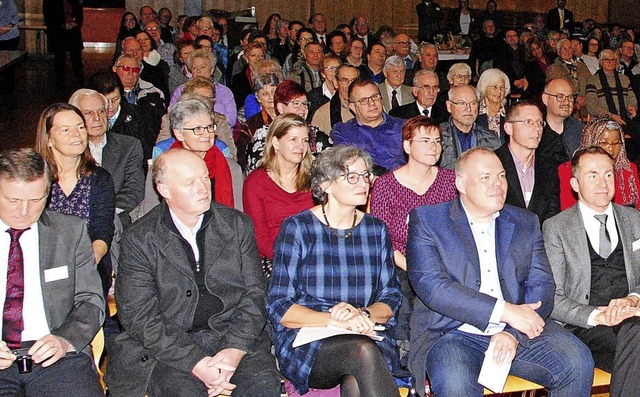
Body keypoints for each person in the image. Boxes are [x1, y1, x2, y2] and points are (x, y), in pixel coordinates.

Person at [406, 146, 595, 397]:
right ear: (461, 183)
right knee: (456, 384)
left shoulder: (525, 222)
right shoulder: (429, 220)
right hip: (453, 332)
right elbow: (433, 287)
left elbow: (542, 285)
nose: (498, 184)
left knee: (577, 361)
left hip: (517, 332)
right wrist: (505, 311)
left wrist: (512, 332)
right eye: (486, 178)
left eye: (502, 176)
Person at [106, 148, 280, 396]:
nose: (202, 188)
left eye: (204, 178)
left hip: (234, 336)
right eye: (190, 183)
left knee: (261, 388)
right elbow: (139, 317)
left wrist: (234, 350)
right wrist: (196, 363)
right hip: (171, 345)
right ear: (164, 190)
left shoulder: (236, 224)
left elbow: (255, 294)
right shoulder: (141, 238)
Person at [268, 145, 404, 397]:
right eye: (352, 177)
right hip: (310, 340)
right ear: (326, 185)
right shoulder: (298, 228)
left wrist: (362, 314)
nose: (363, 183)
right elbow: (280, 307)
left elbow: (391, 297)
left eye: (366, 176)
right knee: (361, 351)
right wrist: (336, 320)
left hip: (366, 333)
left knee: (356, 377)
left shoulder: (375, 230)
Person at [0, 148, 105, 397]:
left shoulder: (70, 232)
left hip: (57, 354)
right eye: (13, 200)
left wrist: (64, 340)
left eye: (35, 200)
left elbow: (91, 301)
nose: (24, 211)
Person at [543, 146, 640, 396]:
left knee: (634, 334)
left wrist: (632, 298)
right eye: (593, 175)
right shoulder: (556, 228)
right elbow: (552, 297)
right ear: (575, 183)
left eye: (608, 174)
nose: (603, 183)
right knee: (631, 346)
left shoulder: (634, 219)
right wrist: (597, 315)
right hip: (587, 325)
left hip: (633, 317)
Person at [370, 116, 457, 350]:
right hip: (401, 264)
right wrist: (415, 266)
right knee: (405, 291)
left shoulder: (452, 181)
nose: (433, 147)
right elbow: (381, 239)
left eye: (437, 141)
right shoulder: (385, 186)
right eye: (425, 140)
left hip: (446, 263)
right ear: (407, 146)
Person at [34, 102, 116, 297]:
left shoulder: (99, 178)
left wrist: (82, 266)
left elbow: (102, 229)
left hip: (88, 269)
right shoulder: (36, 179)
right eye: (65, 130)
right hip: (42, 268)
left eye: (80, 127)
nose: (76, 134)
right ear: (49, 139)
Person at [243, 114, 314, 277]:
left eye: (304, 140)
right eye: (293, 140)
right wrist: (288, 258)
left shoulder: (314, 178)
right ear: (275, 142)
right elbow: (259, 235)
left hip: (314, 256)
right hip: (275, 258)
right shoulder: (256, 182)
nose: (301, 146)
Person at [68, 89, 145, 227]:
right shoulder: (68, 150)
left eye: (101, 111)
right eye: (88, 113)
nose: (97, 118)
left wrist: (103, 215)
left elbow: (134, 190)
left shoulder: (129, 146)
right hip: (74, 223)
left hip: (116, 221)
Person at [495, 101, 560, 225]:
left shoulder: (548, 167)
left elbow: (552, 218)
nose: (537, 129)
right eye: (529, 122)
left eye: (540, 123)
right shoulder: (493, 162)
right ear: (509, 128)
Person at [246, 80, 332, 173]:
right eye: (296, 103)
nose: (303, 108)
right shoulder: (264, 135)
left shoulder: (316, 133)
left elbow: (333, 165)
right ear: (280, 108)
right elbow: (260, 170)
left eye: (305, 104)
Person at [558, 116, 640, 210]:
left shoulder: (629, 168)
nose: (610, 148)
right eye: (604, 142)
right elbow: (568, 212)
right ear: (591, 140)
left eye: (616, 143)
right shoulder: (569, 170)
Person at [331, 78, 406, 174]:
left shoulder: (405, 127)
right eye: (363, 100)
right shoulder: (342, 132)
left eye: (375, 97)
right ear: (353, 107)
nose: (372, 103)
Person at [88, 69, 156, 161]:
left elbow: (148, 151)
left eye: (115, 99)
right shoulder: (86, 118)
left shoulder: (138, 115)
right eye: (105, 101)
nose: (110, 107)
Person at [169, 49, 238, 127]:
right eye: (194, 67)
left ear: (212, 70)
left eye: (202, 67)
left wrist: (217, 117)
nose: (198, 71)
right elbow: (172, 116)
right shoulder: (181, 90)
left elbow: (232, 120)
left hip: (220, 132)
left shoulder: (224, 92)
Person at [439, 84, 501, 169]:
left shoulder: (491, 139)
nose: (468, 109)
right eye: (462, 103)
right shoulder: (438, 137)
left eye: (473, 103)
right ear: (449, 106)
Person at [539, 78, 584, 166]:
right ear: (545, 99)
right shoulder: (534, 130)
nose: (566, 102)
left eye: (570, 97)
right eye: (560, 97)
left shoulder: (581, 131)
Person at [43, 0, 84, 90]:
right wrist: (62, 25)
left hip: (73, 33)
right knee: (59, 59)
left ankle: (81, 81)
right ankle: (60, 83)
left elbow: (79, 13)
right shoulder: (50, 2)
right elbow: (48, 16)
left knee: (76, 59)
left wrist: (76, 23)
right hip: (58, 33)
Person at [311, 64, 359, 135]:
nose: (350, 85)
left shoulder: (370, 108)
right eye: (345, 80)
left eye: (354, 80)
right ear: (336, 83)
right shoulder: (322, 114)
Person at [476, 68, 511, 141]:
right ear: (484, 87)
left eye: (502, 88)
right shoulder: (474, 112)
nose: (499, 91)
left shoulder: (510, 114)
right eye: (494, 87)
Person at [306, 53, 340, 121]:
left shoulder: (345, 94)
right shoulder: (312, 96)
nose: (335, 71)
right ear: (323, 73)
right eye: (331, 68)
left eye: (338, 68)